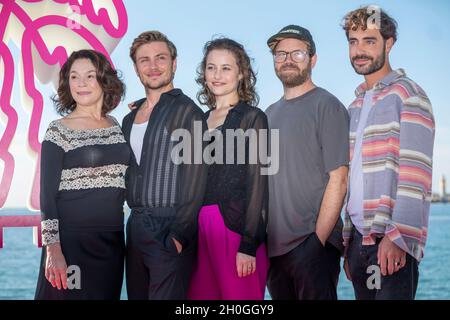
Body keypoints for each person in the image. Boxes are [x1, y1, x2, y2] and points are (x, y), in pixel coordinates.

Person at [341, 6, 435, 300]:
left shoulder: (408, 94)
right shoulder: (354, 107)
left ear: (389, 43)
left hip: (390, 240)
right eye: (353, 41)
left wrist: (399, 237)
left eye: (369, 40)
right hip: (358, 241)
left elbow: (415, 172)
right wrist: (347, 243)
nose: (359, 50)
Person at [35, 49, 129, 299]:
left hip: (111, 241)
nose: (81, 84)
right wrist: (53, 249)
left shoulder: (116, 126)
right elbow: (46, 197)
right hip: (71, 243)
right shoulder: (58, 131)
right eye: (74, 77)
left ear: (103, 80)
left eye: (89, 76)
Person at [265, 25, 349, 300]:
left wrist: (317, 241)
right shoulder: (268, 114)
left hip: (312, 246)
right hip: (274, 250)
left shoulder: (328, 106)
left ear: (312, 60)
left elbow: (339, 178)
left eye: (297, 53)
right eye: (280, 54)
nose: (287, 59)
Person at [123, 31, 208, 300]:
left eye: (161, 58)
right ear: (136, 68)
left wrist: (179, 235)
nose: (153, 66)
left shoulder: (187, 111)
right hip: (135, 226)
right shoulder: (129, 118)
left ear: (174, 63)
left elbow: (196, 176)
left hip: (169, 228)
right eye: (144, 60)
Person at [187, 38, 269, 300]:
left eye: (226, 68)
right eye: (211, 68)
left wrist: (248, 244)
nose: (217, 75)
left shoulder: (252, 118)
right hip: (198, 231)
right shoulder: (198, 120)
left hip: (234, 229)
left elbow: (259, 184)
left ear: (241, 72)